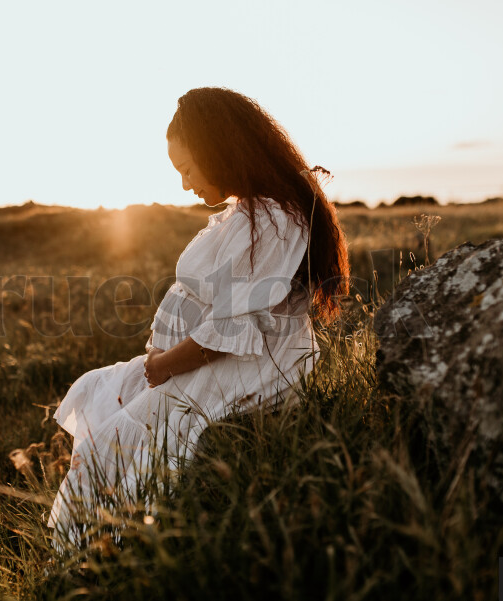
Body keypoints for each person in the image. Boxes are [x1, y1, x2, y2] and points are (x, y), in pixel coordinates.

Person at [46, 87, 350, 550]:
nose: (185, 184)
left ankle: (101, 549)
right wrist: (159, 360)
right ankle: (94, 542)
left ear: (220, 151)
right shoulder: (247, 211)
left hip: (250, 364)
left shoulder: (273, 219)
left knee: (119, 439)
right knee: (99, 390)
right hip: (205, 358)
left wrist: (163, 366)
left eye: (187, 169)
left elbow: (231, 327)